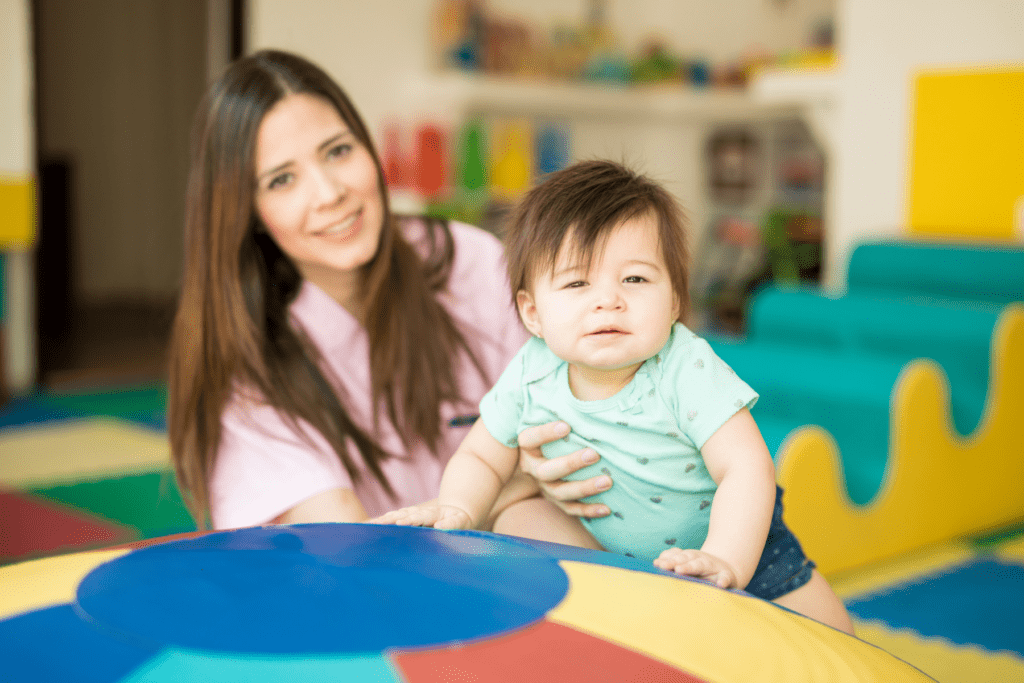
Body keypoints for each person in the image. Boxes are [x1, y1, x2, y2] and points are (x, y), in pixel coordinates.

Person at [378, 160, 855, 634]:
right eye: (577, 283)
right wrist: (458, 507)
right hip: (609, 546)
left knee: (836, 645)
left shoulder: (685, 367)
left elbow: (747, 468)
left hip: (736, 541)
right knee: (519, 517)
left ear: (673, 300)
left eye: (635, 279)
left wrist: (723, 559)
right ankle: (607, 620)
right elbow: (483, 456)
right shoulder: (530, 372)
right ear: (532, 313)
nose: (608, 300)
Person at [167, 49, 605, 545]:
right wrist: (503, 489)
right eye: (282, 180)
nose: (329, 192)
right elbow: (349, 549)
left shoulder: (471, 262)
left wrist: (510, 495)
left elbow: (596, 433)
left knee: (537, 519)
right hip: (371, 601)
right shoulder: (247, 369)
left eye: (338, 151)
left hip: (511, 563)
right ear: (248, 212)